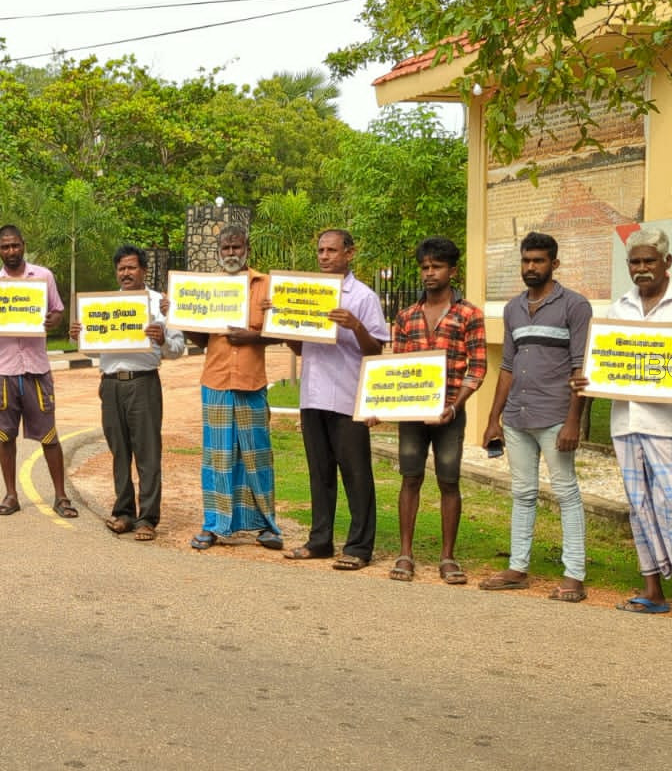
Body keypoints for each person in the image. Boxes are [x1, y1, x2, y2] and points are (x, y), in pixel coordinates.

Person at [575, 226, 672, 624]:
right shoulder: (620, 308)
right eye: (635, 262)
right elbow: (607, 361)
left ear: (667, 263)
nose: (642, 268)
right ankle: (653, 591)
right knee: (639, 505)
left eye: (649, 260)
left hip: (670, 424)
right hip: (625, 422)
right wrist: (587, 380)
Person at [479, 232, 593, 602]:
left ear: (553, 264)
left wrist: (574, 421)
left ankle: (574, 574)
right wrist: (494, 419)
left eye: (538, 261)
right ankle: (517, 568)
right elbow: (507, 367)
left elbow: (581, 368)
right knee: (523, 492)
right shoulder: (513, 308)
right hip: (517, 417)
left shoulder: (575, 306)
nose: (531, 267)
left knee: (566, 492)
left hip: (556, 416)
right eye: (526, 260)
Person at [280, 229, 388, 570]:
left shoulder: (363, 297)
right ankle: (320, 541)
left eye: (331, 250)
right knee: (320, 473)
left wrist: (355, 326)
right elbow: (301, 348)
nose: (324, 256)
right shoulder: (309, 293)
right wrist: (282, 324)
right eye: (321, 251)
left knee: (356, 475)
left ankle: (359, 547)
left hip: (347, 397)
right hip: (313, 395)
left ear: (349, 253)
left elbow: (376, 350)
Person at [382, 236, 486, 584]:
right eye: (425, 267)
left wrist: (455, 407)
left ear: (452, 271)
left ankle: (448, 557)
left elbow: (477, 367)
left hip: (449, 413)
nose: (429, 273)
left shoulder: (469, 315)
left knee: (449, 481)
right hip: (413, 414)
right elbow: (396, 370)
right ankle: (405, 553)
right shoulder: (406, 317)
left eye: (437, 266)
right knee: (410, 477)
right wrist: (380, 406)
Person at [69, 245, 185, 540]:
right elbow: (94, 350)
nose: (126, 273)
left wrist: (162, 339)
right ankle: (124, 513)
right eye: (121, 268)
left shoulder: (161, 304)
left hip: (143, 383)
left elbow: (177, 349)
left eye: (132, 267)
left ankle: (147, 519)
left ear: (144, 270)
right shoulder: (103, 305)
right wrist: (80, 337)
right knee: (119, 452)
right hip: (110, 384)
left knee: (147, 453)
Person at [183, 225, 286, 551]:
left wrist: (251, 337)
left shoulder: (265, 285)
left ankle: (266, 526)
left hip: (251, 383)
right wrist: (182, 319)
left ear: (247, 250)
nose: (231, 253)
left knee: (257, 456)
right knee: (217, 457)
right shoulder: (208, 288)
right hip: (215, 382)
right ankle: (214, 525)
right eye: (226, 248)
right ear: (219, 252)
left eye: (236, 247)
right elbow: (202, 339)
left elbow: (281, 330)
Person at [0, 225, 71, 519]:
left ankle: (61, 497)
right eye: (5, 247)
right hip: (3, 370)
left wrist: (53, 320)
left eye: (15, 245)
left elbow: (57, 310)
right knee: (5, 436)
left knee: (49, 435)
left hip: (37, 368)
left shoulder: (43, 277)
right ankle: (11, 495)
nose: (11, 251)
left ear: (23, 245)